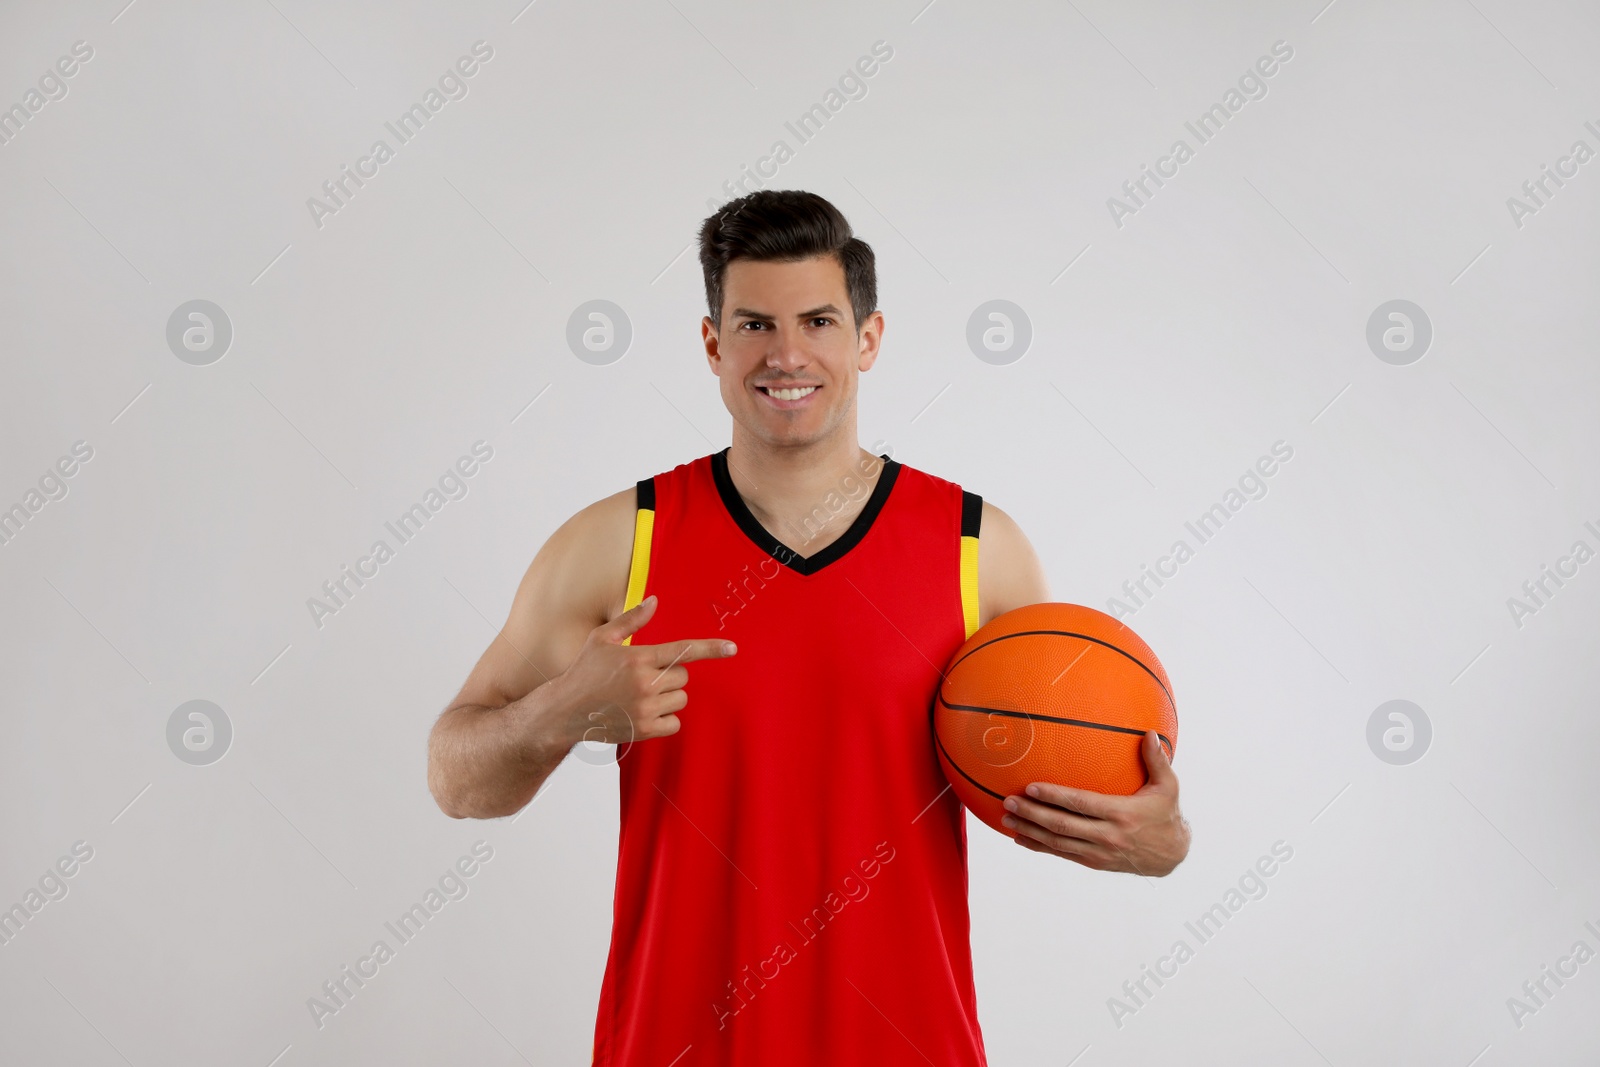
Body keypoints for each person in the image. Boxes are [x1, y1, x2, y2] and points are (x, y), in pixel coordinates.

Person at [427, 189, 1190, 1065]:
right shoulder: (618, 544)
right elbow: (456, 777)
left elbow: (1070, 784)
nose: (786, 354)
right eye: (753, 324)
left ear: (867, 339)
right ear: (712, 345)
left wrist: (1161, 841)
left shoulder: (979, 550)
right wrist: (562, 709)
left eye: (819, 320)